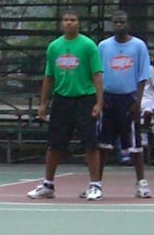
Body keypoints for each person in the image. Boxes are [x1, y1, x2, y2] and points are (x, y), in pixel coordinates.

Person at [26, 11, 105, 201]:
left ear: (79, 23)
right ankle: (48, 185)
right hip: (61, 100)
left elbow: (97, 75)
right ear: (62, 23)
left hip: (84, 98)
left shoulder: (88, 45)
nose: (69, 23)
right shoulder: (54, 47)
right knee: (54, 145)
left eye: (73, 20)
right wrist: (43, 103)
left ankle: (95, 185)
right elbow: (49, 76)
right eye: (66, 20)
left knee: (90, 144)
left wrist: (99, 102)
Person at [95, 12, 152, 198]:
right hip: (109, 99)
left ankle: (142, 184)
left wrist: (138, 100)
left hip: (129, 99)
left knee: (135, 145)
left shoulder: (138, 46)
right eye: (116, 22)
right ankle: (96, 184)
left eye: (122, 22)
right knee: (103, 145)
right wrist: (100, 99)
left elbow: (143, 75)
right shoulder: (103, 46)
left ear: (128, 24)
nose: (119, 25)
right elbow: (97, 74)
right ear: (112, 25)